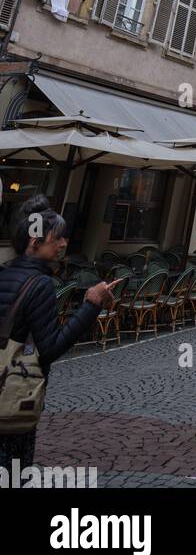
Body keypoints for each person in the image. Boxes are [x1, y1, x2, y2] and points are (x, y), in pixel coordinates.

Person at [0, 197, 117, 474]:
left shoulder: (4, 274)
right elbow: (50, 349)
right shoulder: (40, 284)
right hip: (13, 396)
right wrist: (91, 304)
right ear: (34, 242)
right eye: (57, 238)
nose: (63, 244)